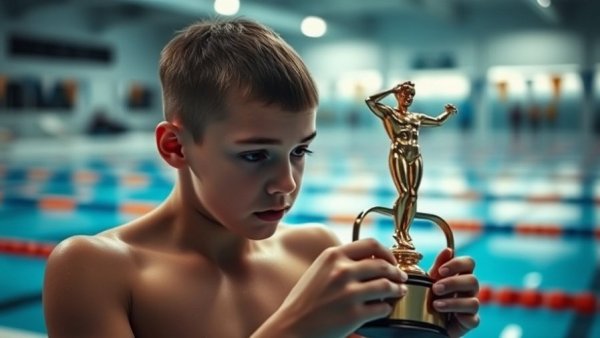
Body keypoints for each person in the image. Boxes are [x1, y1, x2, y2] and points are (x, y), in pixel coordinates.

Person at [43, 19, 479, 338]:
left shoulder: (316, 251)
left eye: (300, 151)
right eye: (255, 155)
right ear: (176, 147)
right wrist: (296, 327)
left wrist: (426, 325)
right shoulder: (95, 270)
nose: (286, 183)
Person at [366, 81, 457, 250]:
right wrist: (392, 89)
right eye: (405, 95)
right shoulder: (389, 113)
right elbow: (370, 101)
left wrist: (448, 113)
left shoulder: (416, 117)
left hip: (415, 155)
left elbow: (437, 122)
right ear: (398, 95)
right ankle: (399, 231)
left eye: (411, 96)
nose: (408, 99)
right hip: (398, 152)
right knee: (404, 193)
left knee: (413, 194)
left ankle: (405, 232)